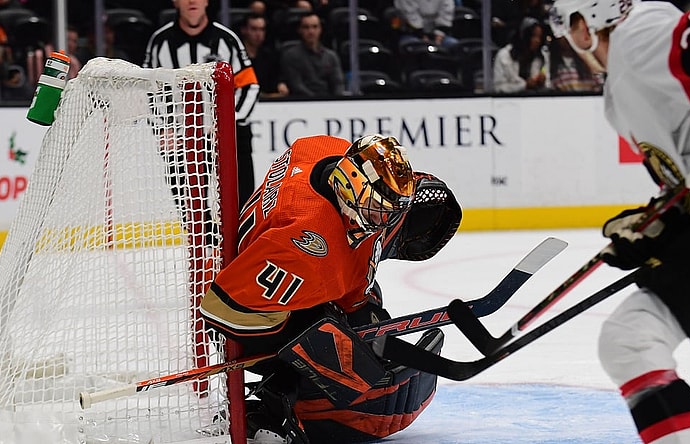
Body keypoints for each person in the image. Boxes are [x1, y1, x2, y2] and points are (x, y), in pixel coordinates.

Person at [549, 0, 690, 442]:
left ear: (585, 21)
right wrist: (661, 228)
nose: (569, 46)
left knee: (631, 339)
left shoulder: (640, 34)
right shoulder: (620, 94)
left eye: (567, 30)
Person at [200, 133, 462, 443]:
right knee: (353, 372)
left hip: (275, 270)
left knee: (363, 314)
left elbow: (352, 264)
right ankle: (275, 405)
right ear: (349, 184)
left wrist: (363, 314)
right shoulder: (308, 240)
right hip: (244, 315)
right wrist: (308, 337)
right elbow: (220, 312)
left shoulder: (325, 148)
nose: (384, 219)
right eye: (378, 207)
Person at [144, 0, 261, 206]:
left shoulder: (227, 39)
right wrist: (165, 127)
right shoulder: (160, 42)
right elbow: (149, 90)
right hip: (180, 138)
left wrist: (227, 122)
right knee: (189, 209)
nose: (192, 1)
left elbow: (249, 85)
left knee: (241, 203)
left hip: (228, 135)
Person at [280, 12, 344, 97]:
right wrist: (316, 102)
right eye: (306, 27)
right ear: (300, 30)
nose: (311, 31)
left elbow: (338, 84)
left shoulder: (331, 56)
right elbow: (297, 86)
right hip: (303, 103)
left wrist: (336, 101)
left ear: (320, 29)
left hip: (329, 103)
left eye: (315, 27)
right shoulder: (291, 56)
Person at [492, 17, 550, 94]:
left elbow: (549, 84)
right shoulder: (503, 56)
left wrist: (542, 82)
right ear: (524, 36)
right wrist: (524, 86)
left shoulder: (542, 56)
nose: (537, 41)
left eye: (539, 37)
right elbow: (498, 88)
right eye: (534, 36)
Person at [239, 12, 288, 98]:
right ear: (244, 30)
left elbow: (277, 80)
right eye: (254, 29)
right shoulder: (236, 57)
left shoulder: (270, 57)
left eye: (262, 29)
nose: (258, 34)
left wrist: (280, 85)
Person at [394, 0, 458, 50]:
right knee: (416, 48)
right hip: (412, 33)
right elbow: (410, 15)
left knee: (453, 45)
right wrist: (422, 36)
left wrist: (439, 35)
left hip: (439, 35)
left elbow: (446, 15)